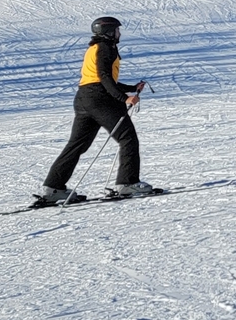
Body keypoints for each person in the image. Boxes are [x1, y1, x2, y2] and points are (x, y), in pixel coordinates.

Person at [36, 16, 153, 207]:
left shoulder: (95, 48)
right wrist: (124, 98)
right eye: (117, 30)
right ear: (109, 32)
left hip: (84, 98)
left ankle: (53, 188)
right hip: (101, 100)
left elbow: (98, 79)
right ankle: (127, 183)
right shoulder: (106, 48)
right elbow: (104, 77)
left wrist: (131, 88)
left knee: (77, 145)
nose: (119, 33)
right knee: (128, 138)